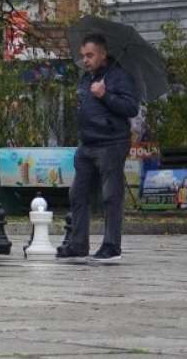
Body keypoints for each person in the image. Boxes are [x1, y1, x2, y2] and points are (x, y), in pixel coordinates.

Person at [58, 33, 139, 264]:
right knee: (77, 194)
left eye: (90, 55)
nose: (85, 60)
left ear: (103, 54)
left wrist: (105, 96)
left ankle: (111, 246)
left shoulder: (119, 76)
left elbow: (131, 107)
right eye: (83, 56)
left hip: (111, 143)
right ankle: (78, 244)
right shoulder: (85, 78)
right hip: (87, 144)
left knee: (110, 196)